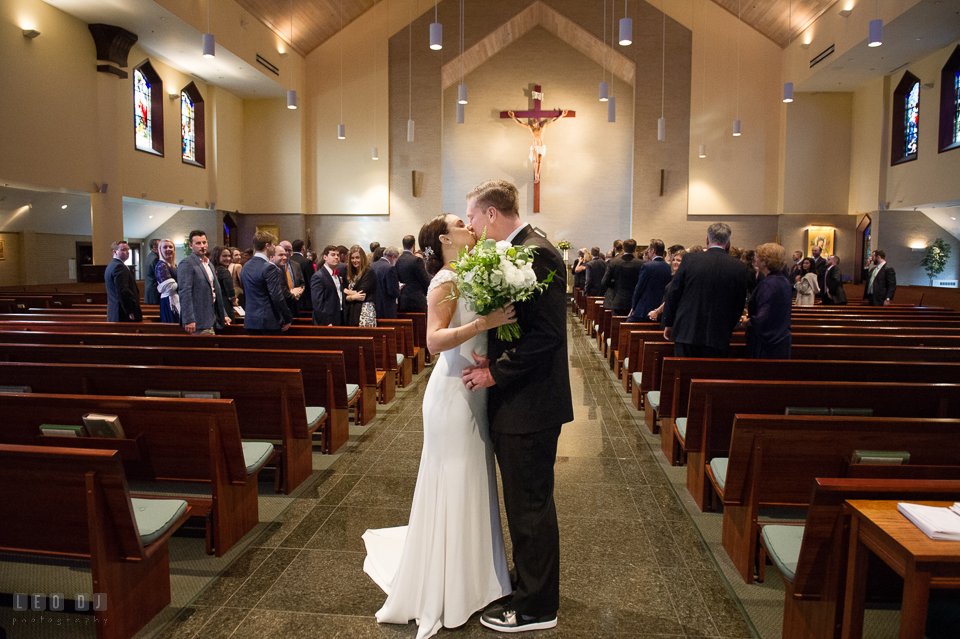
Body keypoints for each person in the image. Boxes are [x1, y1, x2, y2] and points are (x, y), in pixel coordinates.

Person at [363, 214, 517, 639]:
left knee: (473, 480)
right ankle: (451, 583)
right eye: (459, 222)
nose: (470, 224)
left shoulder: (470, 271)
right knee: (454, 479)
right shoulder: (445, 279)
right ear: (446, 239)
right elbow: (433, 341)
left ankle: (476, 576)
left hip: (475, 387)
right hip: (451, 393)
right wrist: (484, 324)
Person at [461, 179, 573, 633]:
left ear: (491, 214)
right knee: (527, 504)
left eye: (471, 216)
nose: (468, 225)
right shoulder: (521, 247)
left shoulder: (535, 251)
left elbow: (547, 336)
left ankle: (535, 608)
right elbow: (524, 327)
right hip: (525, 401)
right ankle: (529, 586)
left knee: (529, 508)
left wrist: (495, 372)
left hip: (531, 404)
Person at [662, 222, 748, 358]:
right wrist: (728, 328)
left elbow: (674, 293)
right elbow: (738, 304)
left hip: (687, 331)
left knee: (684, 374)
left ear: (707, 239)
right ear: (728, 242)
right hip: (718, 335)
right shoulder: (739, 267)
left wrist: (669, 322)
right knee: (710, 376)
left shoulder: (690, 260)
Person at [742, 243, 792, 359]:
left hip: (768, 344)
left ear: (764, 261)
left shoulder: (769, 284)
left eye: (757, 257)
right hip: (781, 338)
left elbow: (764, 316)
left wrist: (748, 321)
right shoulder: (782, 280)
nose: (755, 260)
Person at [241, 230, 292, 335]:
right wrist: (287, 318)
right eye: (273, 244)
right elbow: (277, 296)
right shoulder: (268, 267)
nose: (274, 247)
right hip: (268, 322)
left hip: (251, 320)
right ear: (267, 245)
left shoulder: (246, 266)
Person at [178, 230, 228, 335]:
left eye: (204, 242)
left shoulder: (209, 263)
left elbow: (214, 290)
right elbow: (185, 293)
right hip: (197, 320)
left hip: (211, 316)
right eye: (198, 243)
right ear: (191, 246)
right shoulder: (187, 263)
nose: (202, 246)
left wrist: (222, 313)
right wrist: (189, 320)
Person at [505, 109, 569, 183]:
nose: (534, 124)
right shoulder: (531, 128)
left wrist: (561, 115)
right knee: (536, 161)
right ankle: (536, 175)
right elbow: (520, 123)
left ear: (537, 123)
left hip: (542, 147)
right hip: (535, 147)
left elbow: (553, 122)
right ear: (532, 124)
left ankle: (538, 174)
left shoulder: (543, 128)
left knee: (540, 162)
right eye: (533, 123)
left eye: (535, 123)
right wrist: (514, 117)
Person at [626, 239, 671, 323]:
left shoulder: (647, 266)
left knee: (628, 325)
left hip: (645, 309)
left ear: (653, 250)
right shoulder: (669, 268)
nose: (648, 252)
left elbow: (639, 288)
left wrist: (633, 306)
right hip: (661, 310)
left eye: (649, 249)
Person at [600, 238, 642, 317]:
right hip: (633, 301)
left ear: (623, 248)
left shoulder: (614, 262)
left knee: (616, 327)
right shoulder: (640, 263)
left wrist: (615, 284)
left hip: (617, 301)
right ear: (635, 249)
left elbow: (604, 281)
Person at [105, 240, 142, 322]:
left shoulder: (111, 265)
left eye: (128, 249)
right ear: (115, 252)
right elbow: (123, 291)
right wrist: (130, 311)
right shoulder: (119, 267)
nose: (127, 252)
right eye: (123, 250)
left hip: (114, 311)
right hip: (122, 313)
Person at [648, 249, 686, 325]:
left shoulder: (682, 279)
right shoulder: (675, 277)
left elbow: (672, 300)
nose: (675, 262)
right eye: (674, 260)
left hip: (674, 319)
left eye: (678, 260)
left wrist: (657, 311)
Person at [344, 244, 377, 327]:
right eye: (352, 258)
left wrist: (346, 292)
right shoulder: (351, 272)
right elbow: (343, 291)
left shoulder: (368, 271)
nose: (355, 260)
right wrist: (352, 296)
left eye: (357, 257)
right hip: (352, 311)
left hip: (365, 311)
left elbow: (361, 293)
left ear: (362, 257)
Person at [311, 244, 344, 326]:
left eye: (337, 255)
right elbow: (317, 303)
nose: (336, 257)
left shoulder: (336, 274)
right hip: (326, 320)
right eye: (333, 255)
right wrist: (326, 322)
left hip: (338, 316)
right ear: (325, 257)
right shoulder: (318, 276)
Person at [396, 235, 430, 313]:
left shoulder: (398, 260)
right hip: (417, 299)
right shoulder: (416, 260)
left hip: (403, 298)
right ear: (414, 245)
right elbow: (424, 280)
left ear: (403, 245)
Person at [278, 241, 305, 321]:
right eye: (284, 250)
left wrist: (298, 292)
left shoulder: (296, 265)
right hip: (282, 307)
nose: (287, 253)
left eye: (289, 250)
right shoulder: (276, 266)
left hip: (295, 306)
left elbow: (302, 283)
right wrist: (291, 293)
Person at [370, 247, 400, 320]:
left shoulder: (372, 266)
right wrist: (398, 289)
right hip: (387, 309)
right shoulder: (390, 268)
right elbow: (393, 292)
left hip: (374, 307)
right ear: (393, 257)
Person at [155, 238, 180, 324]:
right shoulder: (161, 265)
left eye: (170, 247)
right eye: (165, 247)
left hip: (175, 300)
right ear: (160, 250)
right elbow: (171, 287)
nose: (168, 249)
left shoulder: (173, 265)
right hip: (169, 302)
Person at [289, 239, 315, 311]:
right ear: (303, 248)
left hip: (290, 298)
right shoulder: (307, 262)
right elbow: (311, 281)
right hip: (305, 300)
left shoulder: (289, 260)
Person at [212, 246, 236, 321]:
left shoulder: (212, 269)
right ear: (217, 257)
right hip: (225, 304)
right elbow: (230, 293)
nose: (228, 258)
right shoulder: (224, 271)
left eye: (229, 256)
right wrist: (234, 299)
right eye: (224, 256)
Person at [143, 238, 160, 305]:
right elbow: (159, 276)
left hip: (151, 292)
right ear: (155, 248)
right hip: (154, 292)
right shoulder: (155, 258)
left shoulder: (150, 256)